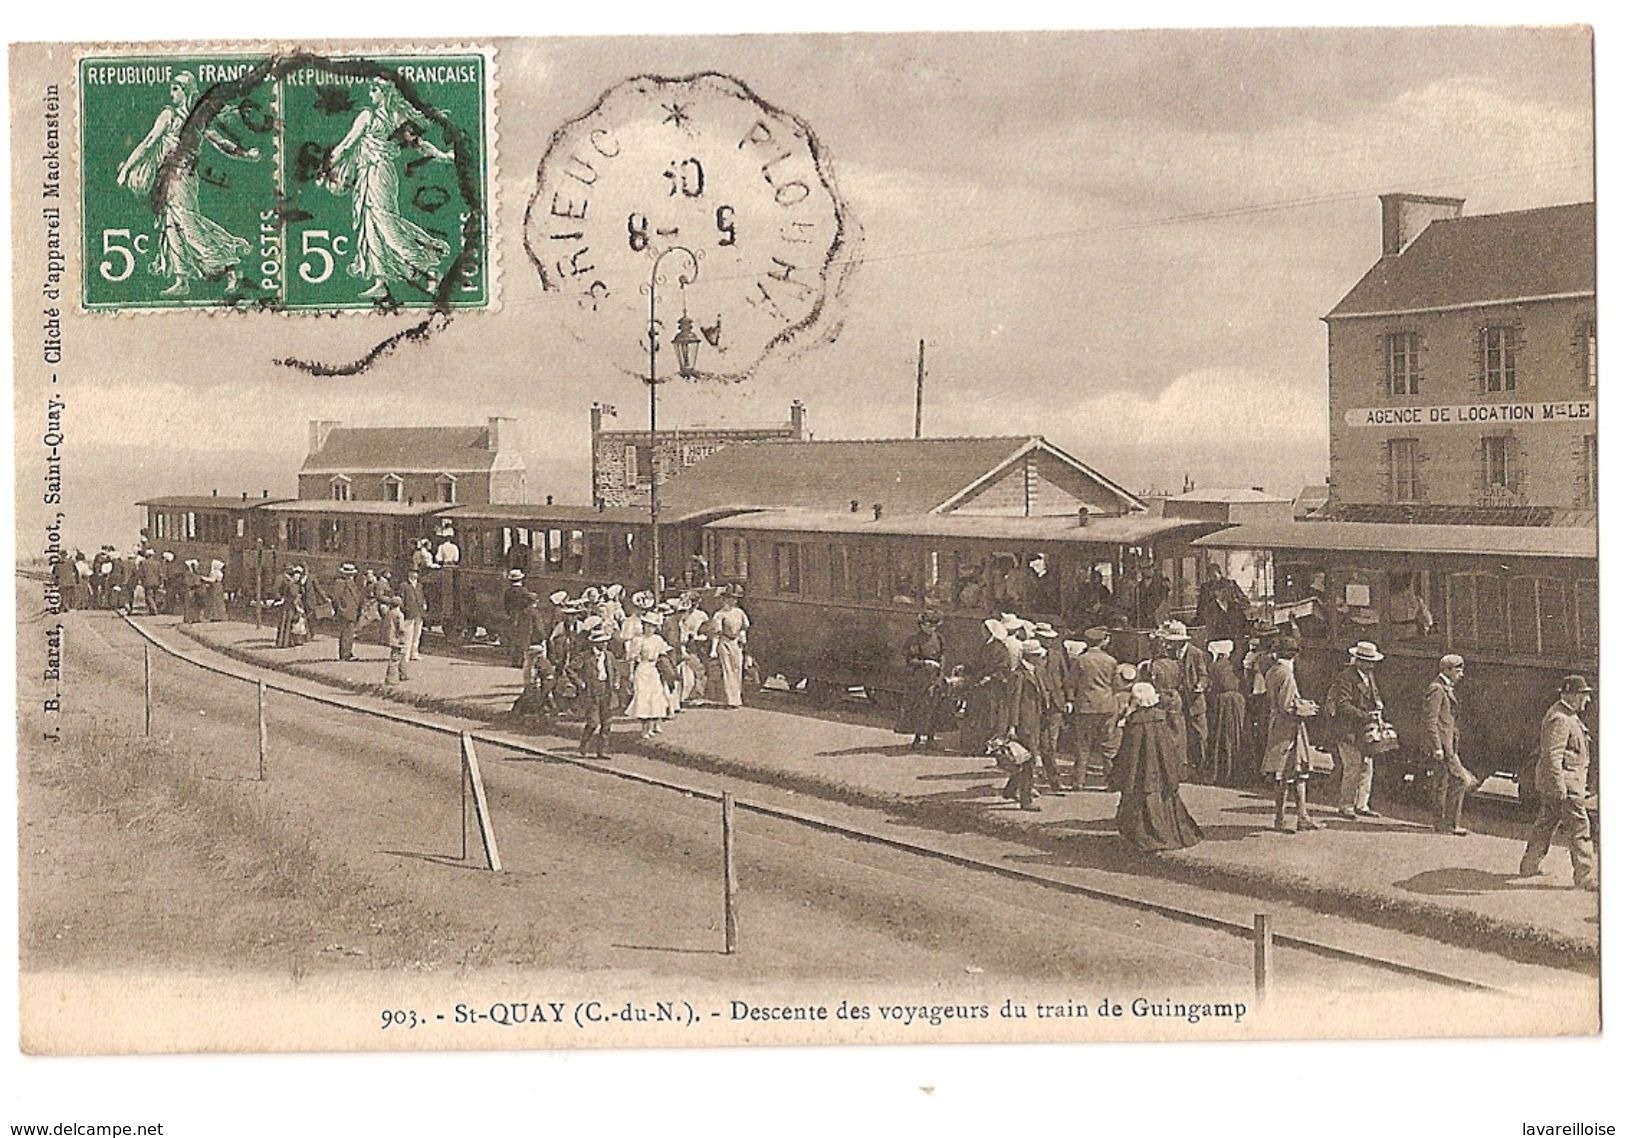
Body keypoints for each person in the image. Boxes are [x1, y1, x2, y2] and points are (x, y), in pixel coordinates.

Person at [114, 70, 260, 296]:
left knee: (188, 224)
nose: (171, 93)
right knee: (172, 224)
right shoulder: (168, 115)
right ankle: (182, 280)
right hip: (168, 177)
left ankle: (230, 265)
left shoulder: (197, 119)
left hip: (184, 178)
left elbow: (222, 143)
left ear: (186, 92)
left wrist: (246, 154)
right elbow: (149, 142)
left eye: (176, 89)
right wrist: (127, 168)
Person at [321, 76, 454, 299]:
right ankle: (381, 281)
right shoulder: (395, 116)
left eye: (374, 90)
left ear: (384, 92)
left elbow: (345, 145)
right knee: (371, 223)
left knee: (385, 223)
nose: (370, 94)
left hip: (379, 174)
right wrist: (442, 156)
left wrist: (325, 168)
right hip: (369, 173)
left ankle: (429, 269)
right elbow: (420, 146)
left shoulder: (372, 116)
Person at [1518, 676, 1598, 890]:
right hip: (1566, 784)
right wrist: (1559, 785)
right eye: (1584, 695)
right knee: (1580, 827)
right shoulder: (1561, 718)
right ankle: (1585, 876)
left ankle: (1529, 864)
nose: (1587, 700)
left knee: (1546, 824)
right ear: (1571, 696)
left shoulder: (1566, 714)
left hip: (1563, 783)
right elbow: (1552, 755)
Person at [1112, 682, 1203, 852]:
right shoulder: (1160, 718)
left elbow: (1128, 752)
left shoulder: (1134, 722)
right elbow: (1168, 747)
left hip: (1141, 772)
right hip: (1161, 770)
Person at [1261, 635, 1323, 833]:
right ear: (1293, 655)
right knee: (1288, 773)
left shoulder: (1272, 670)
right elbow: (1287, 705)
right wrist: (1307, 708)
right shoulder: (1286, 673)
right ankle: (1282, 819)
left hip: (1279, 725)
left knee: (1295, 774)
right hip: (1288, 728)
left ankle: (1299, 816)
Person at [1326, 640, 1387, 820]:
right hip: (1348, 729)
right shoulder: (1346, 677)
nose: (1371, 665)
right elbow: (1343, 704)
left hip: (1362, 728)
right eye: (1368, 661)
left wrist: (1377, 707)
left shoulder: (1368, 676)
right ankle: (1346, 805)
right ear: (1358, 661)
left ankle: (1362, 804)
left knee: (1366, 766)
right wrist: (1365, 715)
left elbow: (1373, 696)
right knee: (1353, 766)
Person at [998, 640, 1051, 811]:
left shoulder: (1034, 672)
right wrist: (1012, 726)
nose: (1042, 658)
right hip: (1024, 723)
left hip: (1035, 721)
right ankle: (1025, 800)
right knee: (1029, 760)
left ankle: (1010, 789)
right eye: (1039, 656)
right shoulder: (1019, 675)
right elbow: (1013, 702)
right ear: (1032, 656)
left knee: (1025, 759)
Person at [1064, 627, 1119, 790]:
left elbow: (1070, 683)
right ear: (1103, 641)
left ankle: (1078, 781)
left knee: (1083, 746)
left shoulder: (1080, 661)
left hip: (1085, 707)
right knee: (1108, 746)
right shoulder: (1111, 661)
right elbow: (1116, 684)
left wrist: (1071, 699)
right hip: (1107, 705)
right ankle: (1111, 782)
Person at [896, 611, 948, 749]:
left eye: (934, 626)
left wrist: (941, 670)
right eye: (929, 625)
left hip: (934, 678)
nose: (932, 628)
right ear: (921, 625)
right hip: (919, 679)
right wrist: (925, 663)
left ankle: (931, 738)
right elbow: (910, 660)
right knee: (918, 708)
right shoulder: (913, 640)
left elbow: (943, 655)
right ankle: (917, 738)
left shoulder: (939, 638)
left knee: (934, 708)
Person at [1206, 640, 1248, 787]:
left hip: (1223, 702)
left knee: (1222, 735)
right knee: (1233, 734)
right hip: (1234, 701)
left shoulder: (1215, 666)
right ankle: (1234, 771)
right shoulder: (1230, 666)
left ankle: (1224, 771)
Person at [575, 629, 622, 759]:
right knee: (593, 723)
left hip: (606, 691)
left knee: (607, 723)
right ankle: (584, 744)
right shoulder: (585, 656)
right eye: (602, 642)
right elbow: (571, 669)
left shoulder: (609, 656)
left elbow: (616, 670)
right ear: (595, 643)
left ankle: (602, 751)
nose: (605, 644)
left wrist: (616, 682)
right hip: (592, 692)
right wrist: (580, 683)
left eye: (606, 642)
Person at [627, 612, 674, 738]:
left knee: (655, 697)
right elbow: (632, 658)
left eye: (652, 626)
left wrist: (666, 668)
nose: (649, 629)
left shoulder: (658, 640)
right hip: (642, 670)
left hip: (653, 670)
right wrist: (631, 674)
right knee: (643, 697)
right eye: (647, 626)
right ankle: (644, 729)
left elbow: (665, 652)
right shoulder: (638, 640)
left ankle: (654, 725)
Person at [709, 587, 750, 709]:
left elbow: (744, 627)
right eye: (730, 599)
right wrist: (713, 649)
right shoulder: (719, 614)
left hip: (736, 643)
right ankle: (730, 699)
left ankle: (737, 698)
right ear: (724, 600)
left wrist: (743, 639)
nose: (733, 601)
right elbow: (716, 634)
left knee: (737, 669)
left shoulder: (739, 612)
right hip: (724, 642)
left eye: (735, 599)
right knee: (728, 670)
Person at [331, 563, 362, 661]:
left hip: (353, 612)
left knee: (350, 633)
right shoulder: (340, 583)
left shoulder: (352, 583)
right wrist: (341, 609)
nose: (351, 576)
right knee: (346, 633)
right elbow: (336, 598)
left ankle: (348, 651)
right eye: (349, 574)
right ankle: (345, 654)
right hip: (346, 612)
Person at [502, 569, 533, 667]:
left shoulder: (508, 592)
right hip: (522, 617)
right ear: (521, 579)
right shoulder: (523, 591)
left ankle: (514, 661)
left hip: (512, 616)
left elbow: (506, 604)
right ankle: (521, 661)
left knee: (513, 638)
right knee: (522, 639)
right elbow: (531, 601)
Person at [274, 567, 307, 648]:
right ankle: (284, 642)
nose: (297, 578)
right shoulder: (290, 585)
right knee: (287, 624)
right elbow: (291, 596)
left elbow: (300, 594)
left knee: (295, 624)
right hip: (289, 606)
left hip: (293, 606)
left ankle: (291, 641)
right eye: (295, 576)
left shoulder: (297, 586)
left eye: (298, 577)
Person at [400, 568, 427, 662]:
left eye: (416, 573)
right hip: (410, 612)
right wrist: (405, 609)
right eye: (412, 573)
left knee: (417, 634)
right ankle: (405, 655)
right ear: (409, 574)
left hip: (419, 612)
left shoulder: (419, 585)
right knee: (408, 634)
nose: (415, 575)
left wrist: (424, 604)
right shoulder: (404, 585)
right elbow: (402, 598)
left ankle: (414, 653)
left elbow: (422, 596)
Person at [382, 596, 409, 685]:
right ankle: (391, 679)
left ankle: (403, 674)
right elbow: (400, 628)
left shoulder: (389, 613)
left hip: (391, 637)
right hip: (397, 638)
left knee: (401, 656)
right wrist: (404, 634)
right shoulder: (399, 615)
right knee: (395, 658)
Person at [137, 549, 165, 615]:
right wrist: (161, 582)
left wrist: (140, 580)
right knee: (154, 596)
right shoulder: (157, 563)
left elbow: (140, 573)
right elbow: (160, 573)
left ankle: (154, 608)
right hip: (156, 582)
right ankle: (152, 610)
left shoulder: (143, 563)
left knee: (148, 596)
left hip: (147, 582)